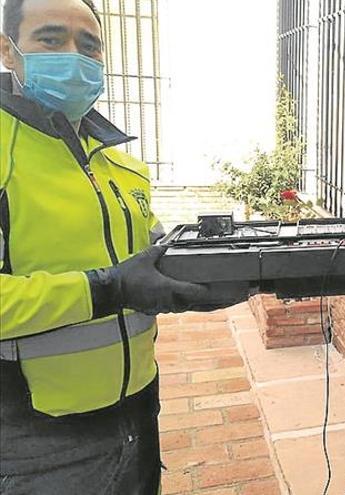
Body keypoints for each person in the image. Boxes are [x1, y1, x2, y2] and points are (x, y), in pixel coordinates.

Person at [0, 0, 236, 493]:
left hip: (137, 409)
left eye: (89, 46)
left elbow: (147, 264)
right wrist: (110, 289)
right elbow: (122, 283)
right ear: (8, 50)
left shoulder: (122, 167)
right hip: (35, 437)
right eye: (50, 39)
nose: (75, 56)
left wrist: (207, 275)